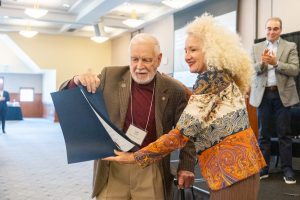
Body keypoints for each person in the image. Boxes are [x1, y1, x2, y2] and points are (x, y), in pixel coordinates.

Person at [104, 14, 266, 200]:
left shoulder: (211, 78)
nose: (187, 56)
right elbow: (203, 109)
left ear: (211, 50)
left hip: (232, 173)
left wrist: (135, 157)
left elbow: (181, 134)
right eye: (186, 50)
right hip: (240, 169)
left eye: (194, 50)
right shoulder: (221, 76)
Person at [60, 33, 196, 200]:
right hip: (114, 164)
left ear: (159, 59)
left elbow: (188, 132)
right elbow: (65, 94)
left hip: (150, 167)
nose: (139, 66)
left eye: (146, 60)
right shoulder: (110, 76)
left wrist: (186, 166)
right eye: (134, 59)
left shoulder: (175, 90)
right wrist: (77, 80)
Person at [249, 17, 299, 184]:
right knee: (263, 134)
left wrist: (276, 63)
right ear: (265, 30)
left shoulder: (290, 46)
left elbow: (295, 70)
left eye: (275, 29)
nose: (271, 32)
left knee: (284, 134)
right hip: (263, 96)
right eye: (269, 28)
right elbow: (252, 70)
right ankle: (264, 167)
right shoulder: (256, 48)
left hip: (282, 95)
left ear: (280, 30)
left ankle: (287, 169)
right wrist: (262, 63)